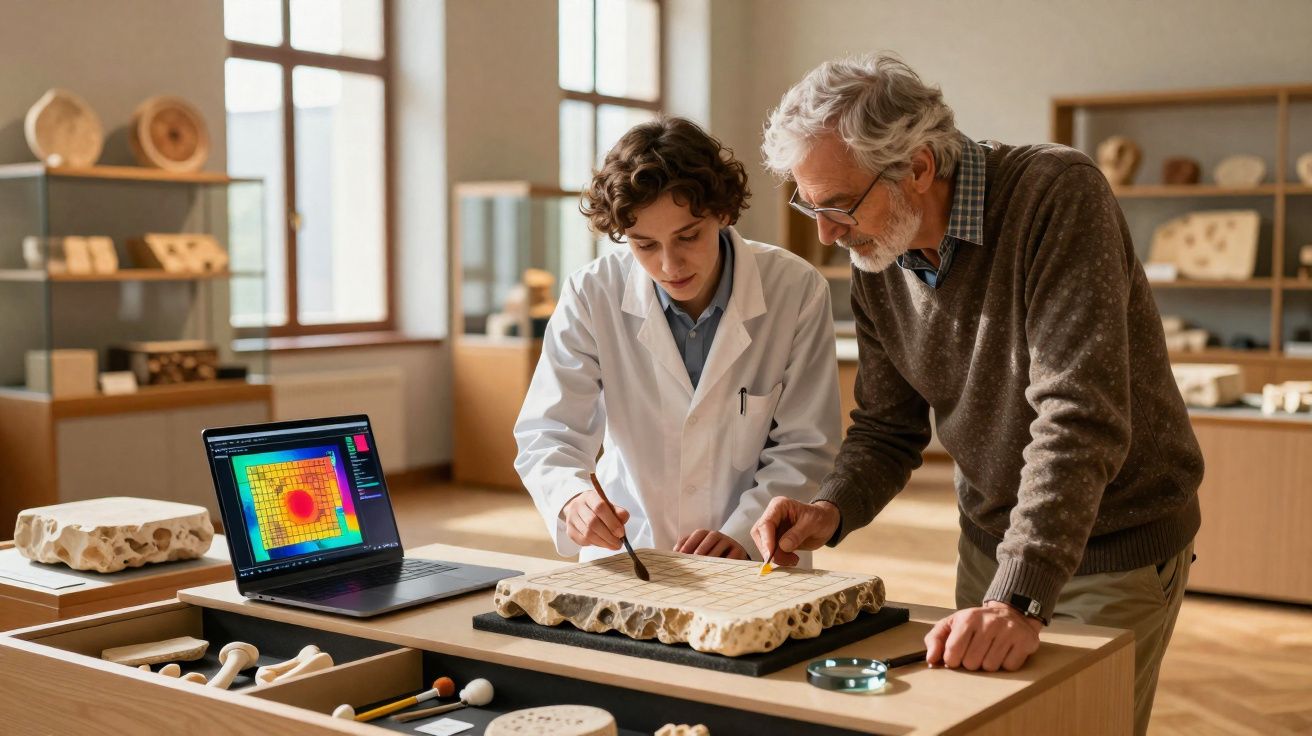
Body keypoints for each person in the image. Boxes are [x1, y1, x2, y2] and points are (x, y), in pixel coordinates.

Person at [751, 55, 1202, 735]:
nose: (826, 233)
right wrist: (830, 507)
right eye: (809, 206)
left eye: (838, 205)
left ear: (920, 168)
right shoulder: (876, 251)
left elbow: (1079, 416)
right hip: (991, 544)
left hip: (1111, 545)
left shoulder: (1055, 194)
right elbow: (886, 427)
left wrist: (1019, 595)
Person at [515, 116, 841, 565]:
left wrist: (743, 535)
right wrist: (571, 499)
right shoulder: (592, 294)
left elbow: (806, 444)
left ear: (723, 214)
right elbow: (549, 432)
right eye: (644, 245)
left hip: (756, 557)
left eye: (688, 236)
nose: (670, 265)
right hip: (634, 552)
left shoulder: (796, 289)